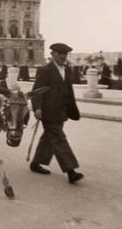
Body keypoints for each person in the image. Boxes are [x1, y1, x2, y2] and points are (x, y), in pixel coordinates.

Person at [30, 43, 84, 184]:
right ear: (53, 54)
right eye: (60, 54)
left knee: (49, 137)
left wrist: (70, 108)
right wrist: (37, 108)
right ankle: (71, 171)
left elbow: (67, 90)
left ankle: (36, 163)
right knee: (59, 139)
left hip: (61, 111)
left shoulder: (65, 69)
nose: (63, 57)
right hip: (48, 112)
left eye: (65, 54)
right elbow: (37, 90)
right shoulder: (46, 70)